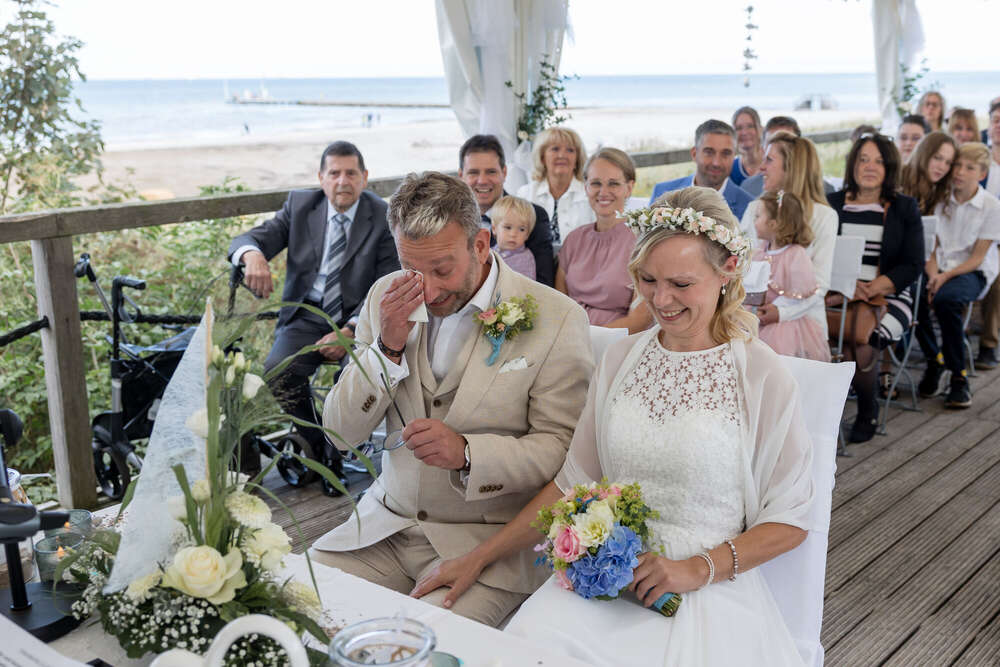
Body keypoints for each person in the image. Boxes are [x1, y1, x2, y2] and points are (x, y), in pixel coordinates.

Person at [411, 186, 814, 667]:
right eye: (647, 279)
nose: (661, 300)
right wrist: (478, 558)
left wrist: (696, 569)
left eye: (681, 284)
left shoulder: (761, 375)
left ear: (727, 270)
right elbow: (571, 483)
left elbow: (790, 520)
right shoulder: (621, 358)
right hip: (599, 583)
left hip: (703, 590)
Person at [309, 171, 594, 627]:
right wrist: (387, 348)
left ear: (481, 244)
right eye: (412, 268)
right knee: (290, 607)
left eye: (442, 269)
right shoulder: (386, 297)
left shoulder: (557, 318)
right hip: (385, 527)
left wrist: (467, 454)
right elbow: (341, 435)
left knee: (428, 649)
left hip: (482, 548)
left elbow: (562, 451)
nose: (429, 288)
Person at [227, 141, 399, 490]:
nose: (342, 181)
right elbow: (247, 239)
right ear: (321, 178)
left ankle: (341, 445)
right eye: (334, 173)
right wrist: (253, 256)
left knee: (353, 379)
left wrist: (351, 329)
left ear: (365, 178)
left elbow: (385, 283)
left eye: (351, 173)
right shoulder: (301, 205)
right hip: (306, 317)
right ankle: (321, 448)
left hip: (359, 320)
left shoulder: (382, 216)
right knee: (277, 370)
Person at [827, 133, 924, 441]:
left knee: (862, 339)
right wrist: (846, 284)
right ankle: (827, 406)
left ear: (889, 167)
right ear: (853, 164)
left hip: (891, 296)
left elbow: (913, 263)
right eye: (863, 159)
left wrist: (874, 286)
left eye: (879, 161)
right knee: (842, 330)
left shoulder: (904, 208)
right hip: (838, 292)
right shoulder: (832, 205)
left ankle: (867, 409)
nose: (870, 167)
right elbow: (819, 255)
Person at [916, 143, 1000, 407]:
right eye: (958, 166)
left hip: (971, 271)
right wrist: (933, 276)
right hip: (937, 266)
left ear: (982, 173)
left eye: (969, 168)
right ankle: (934, 359)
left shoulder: (991, 206)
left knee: (947, 300)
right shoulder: (939, 199)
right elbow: (931, 247)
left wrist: (944, 277)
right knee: (913, 294)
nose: (960, 172)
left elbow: (977, 257)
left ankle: (959, 376)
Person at [742, 132, 838, 343]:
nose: (761, 168)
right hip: (752, 318)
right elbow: (743, 265)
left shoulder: (824, 217)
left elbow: (819, 283)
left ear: (791, 167)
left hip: (802, 323)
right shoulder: (754, 210)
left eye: (769, 160)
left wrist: (780, 311)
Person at [558, 148, 653, 333]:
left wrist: (589, 339)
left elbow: (640, 320)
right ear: (586, 187)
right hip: (568, 339)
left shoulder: (644, 244)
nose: (603, 192)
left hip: (619, 344)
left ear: (629, 187)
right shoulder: (574, 240)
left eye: (613, 184)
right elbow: (559, 304)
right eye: (595, 183)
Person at [458, 135, 555, 286]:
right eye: (473, 172)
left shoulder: (533, 214)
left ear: (504, 172)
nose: (482, 180)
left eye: (491, 172)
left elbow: (545, 284)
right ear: (461, 176)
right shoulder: (452, 219)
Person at [752, 190, 830, 362]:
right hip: (759, 317)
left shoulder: (795, 255)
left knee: (775, 357)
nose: (754, 221)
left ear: (773, 224)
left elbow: (800, 293)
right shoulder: (760, 251)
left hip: (784, 323)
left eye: (758, 216)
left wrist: (777, 309)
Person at [650, 119, 754, 221]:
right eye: (709, 152)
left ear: (733, 156)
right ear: (694, 154)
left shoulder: (749, 206)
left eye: (725, 153)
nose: (716, 163)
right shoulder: (661, 193)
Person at [516, 126, 592, 244]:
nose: (562, 155)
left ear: (577, 159)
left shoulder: (591, 194)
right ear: (542, 157)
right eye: (555, 149)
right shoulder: (525, 194)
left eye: (570, 150)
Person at [979, 102, 1000, 370]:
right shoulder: (979, 162)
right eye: (995, 120)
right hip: (980, 238)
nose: (999, 125)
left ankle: (989, 343)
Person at [739, 116, 801, 198]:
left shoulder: (819, 188)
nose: (777, 149)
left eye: (786, 143)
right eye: (771, 143)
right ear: (763, 149)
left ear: (800, 149)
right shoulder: (747, 189)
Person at [900, 131, 958, 215]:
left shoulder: (939, 191)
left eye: (948, 163)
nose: (942, 167)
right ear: (924, 154)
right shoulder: (897, 179)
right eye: (937, 158)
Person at [490, 195, 536, 280]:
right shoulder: (489, 253)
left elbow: (526, 288)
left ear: (527, 234)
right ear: (494, 228)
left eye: (521, 229)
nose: (513, 234)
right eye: (508, 227)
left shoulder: (525, 259)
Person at [730, 106, 763, 186]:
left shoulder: (773, 164)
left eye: (750, 126)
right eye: (739, 128)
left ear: (759, 129)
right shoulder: (730, 169)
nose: (744, 132)